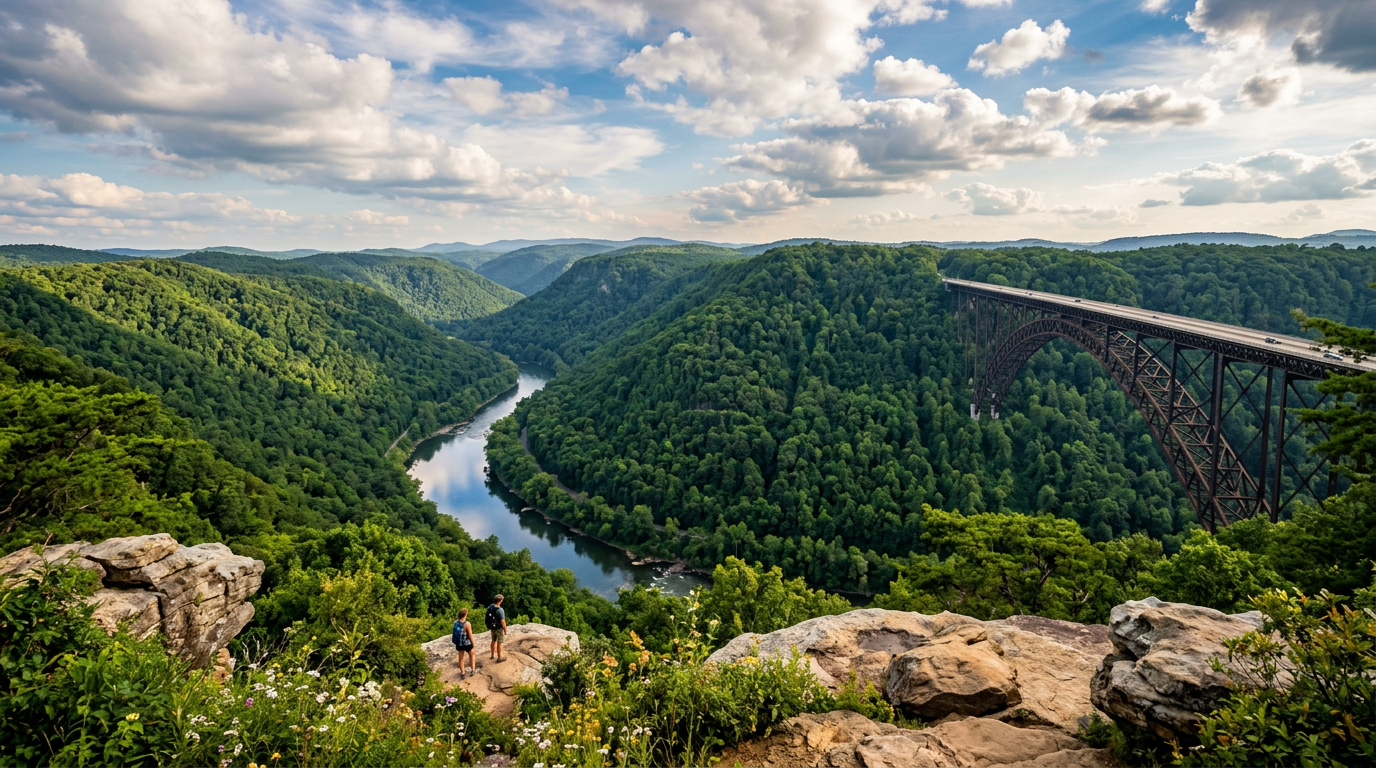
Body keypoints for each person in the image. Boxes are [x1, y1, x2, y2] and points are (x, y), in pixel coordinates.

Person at [451, 607, 475, 679]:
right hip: (466, 643)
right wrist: (473, 644)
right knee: (472, 654)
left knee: (461, 657)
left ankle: (463, 673)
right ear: (465, 615)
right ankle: (473, 670)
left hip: (459, 643)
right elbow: (470, 635)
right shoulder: (467, 624)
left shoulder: (455, 622)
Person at [486, 594, 507, 663]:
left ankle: (492, 655)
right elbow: (502, 621)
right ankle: (499, 657)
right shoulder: (500, 610)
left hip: (492, 627)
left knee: (493, 640)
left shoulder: (490, 607)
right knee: (500, 642)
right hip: (499, 628)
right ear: (500, 601)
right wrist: (505, 629)